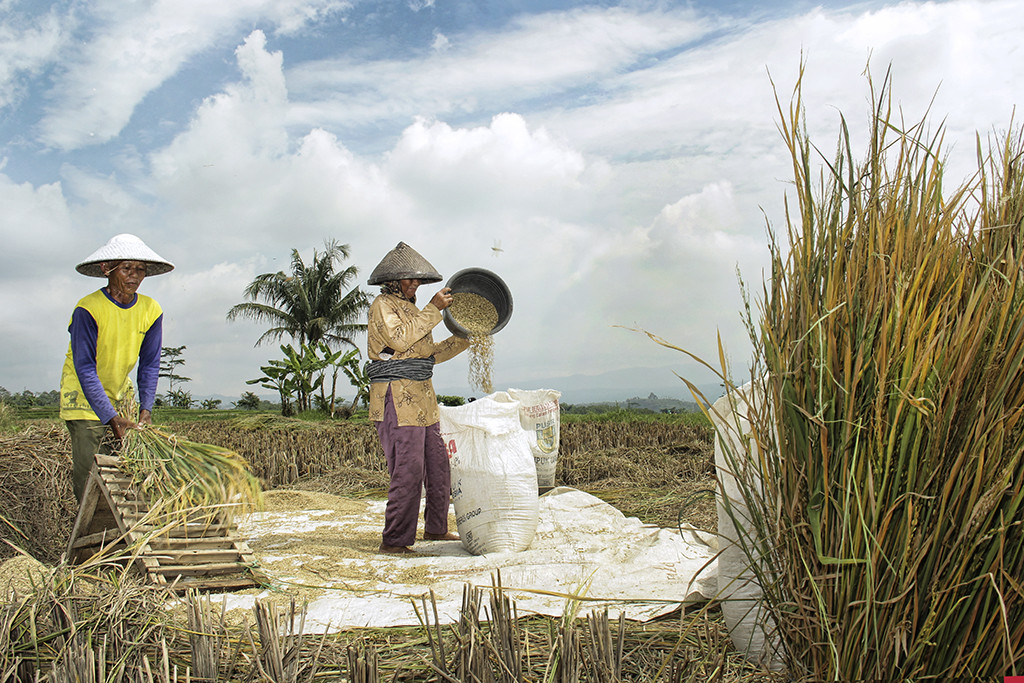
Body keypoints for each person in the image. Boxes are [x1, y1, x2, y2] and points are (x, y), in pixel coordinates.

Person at [366, 242, 470, 554]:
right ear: (392, 282)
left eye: (418, 280)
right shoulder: (382, 306)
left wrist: (466, 338)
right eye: (407, 279)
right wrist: (434, 309)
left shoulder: (415, 311)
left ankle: (436, 529)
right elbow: (399, 340)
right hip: (396, 398)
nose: (414, 284)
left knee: (439, 467)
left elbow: (428, 355)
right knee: (408, 470)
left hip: (424, 400)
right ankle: (395, 540)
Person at [59, 234, 174, 501]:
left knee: (126, 474)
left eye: (140, 269)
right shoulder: (87, 309)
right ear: (106, 269)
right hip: (84, 400)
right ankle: (90, 539)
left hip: (122, 399)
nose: (134, 276)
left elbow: (149, 364)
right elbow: (85, 367)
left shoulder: (150, 309)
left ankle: (122, 536)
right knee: (91, 476)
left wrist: (145, 408)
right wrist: (109, 417)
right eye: (126, 268)